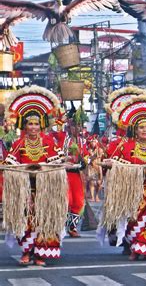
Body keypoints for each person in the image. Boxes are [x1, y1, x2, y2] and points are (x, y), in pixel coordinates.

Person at [4, 86, 64, 266]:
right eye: (30, 123)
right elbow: (9, 164)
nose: (33, 127)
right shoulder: (18, 143)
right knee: (27, 222)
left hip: (45, 191)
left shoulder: (48, 142)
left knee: (45, 221)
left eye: (36, 124)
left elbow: (57, 163)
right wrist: (26, 169)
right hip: (25, 191)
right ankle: (26, 252)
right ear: (24, 124)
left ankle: (40, 254)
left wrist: (43, 168)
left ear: (42, 124)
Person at [108, 94, 146, 261]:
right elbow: (118, 167)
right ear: (135, 129)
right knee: (132, 220)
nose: (144, 130)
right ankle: (135, 247)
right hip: (132, 191)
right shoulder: (125, 147)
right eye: (141, 127)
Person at [56, 110, 89, 238]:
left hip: (76, 174)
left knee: (79, 202)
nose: (76, 128)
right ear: (68, 127)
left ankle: (72, 227)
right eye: (73, 125)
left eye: (78, 125)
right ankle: (58, 226)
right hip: (62, 173)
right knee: (66, 200)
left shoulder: (82, 141)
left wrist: (83, 161)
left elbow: (87, 157)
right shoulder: (61, 137)